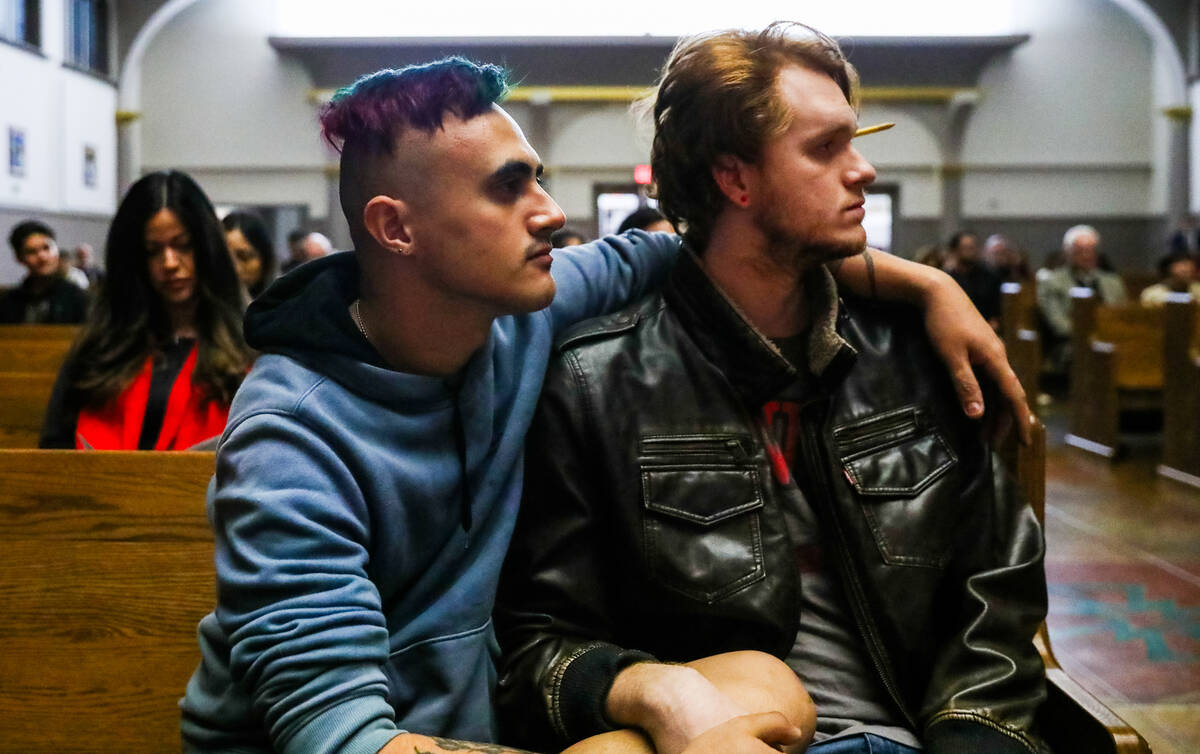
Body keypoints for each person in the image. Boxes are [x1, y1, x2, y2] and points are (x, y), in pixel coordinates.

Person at [179, 57, 1029, 754]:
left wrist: (927, 286)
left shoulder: (525, 313)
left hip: (484, 727)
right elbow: (336, 739)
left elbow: (708, 257)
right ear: (397, 229)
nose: (550, 214)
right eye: (509, 189)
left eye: (539, 181)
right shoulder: (290, 439)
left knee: (764, 685)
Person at [495, 23, 1048, 754]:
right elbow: (543, 651)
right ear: (735, 180)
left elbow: (997, 593)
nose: (864, 171)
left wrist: (974, 738)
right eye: (825, 149)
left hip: (924, 736)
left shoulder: (916, 350)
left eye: (856, 139)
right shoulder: (595, 380)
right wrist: (669, 703)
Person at [39, 171, 252, 450]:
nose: (170, 263)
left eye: (183, 246)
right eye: (153, 251)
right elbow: (56, 447)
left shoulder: (250, 345)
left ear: (207, 248)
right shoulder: (100, 348)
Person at [1036, 224, 1127, 370]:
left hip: (1111, 341)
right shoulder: (1052, 282)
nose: (1086, 256)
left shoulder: (1112, 282)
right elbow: (1059, 325)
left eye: (1091, 250)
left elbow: (1122, 316)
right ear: (1067, 252)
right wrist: (1094, 335)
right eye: (1080, 251)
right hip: (1072, 346)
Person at [0, 220, 90, 324]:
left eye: (46, 248)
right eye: (32, 252)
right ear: (19, 258)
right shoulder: (9, 302)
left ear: (56, 251)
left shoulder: (78, 298)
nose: (42, 257)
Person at [944, 230, 1001, 329]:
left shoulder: (989, 277)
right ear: (955, 250)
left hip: (984, 330)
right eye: (966, 248)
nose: (971, 251)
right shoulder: (947, 279)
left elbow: (995, 312)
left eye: (973, 247)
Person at [222, 210, 277, 298]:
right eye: (225, 259)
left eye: (244, 257)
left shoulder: (285, 307)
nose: (236, 269)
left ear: (265, 259)